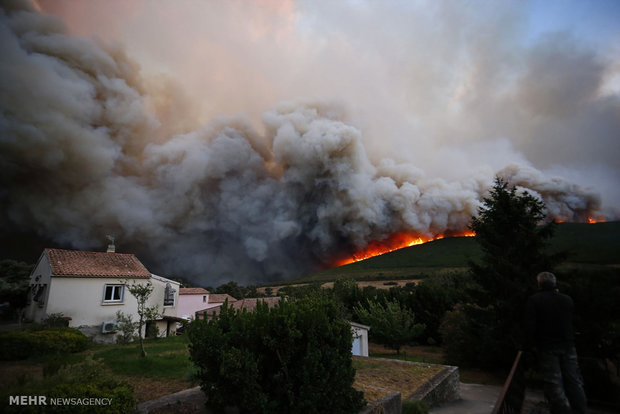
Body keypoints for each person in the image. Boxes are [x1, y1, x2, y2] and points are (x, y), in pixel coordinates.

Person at [525, 271, 588, 414]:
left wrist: (529, 346)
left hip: (548, 346)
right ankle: (580, 409)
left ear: (539, 284)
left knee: (554, 382)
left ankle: (562, 411)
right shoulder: (567, 300)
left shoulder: (535, 300)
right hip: (568, 345)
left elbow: (531, 327)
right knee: (574, 380)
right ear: (554, 284)